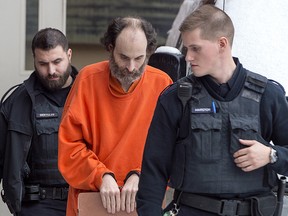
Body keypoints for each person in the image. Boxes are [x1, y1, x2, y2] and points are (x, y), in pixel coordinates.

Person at [136, 5, 288, 216]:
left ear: (222, 44)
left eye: (195, 48)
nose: (188, 57)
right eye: (186, 48)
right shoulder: (176, 98)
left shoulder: (268, 96)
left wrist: (272, 155)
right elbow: (153, 171)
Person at [57, 16, 173, 216]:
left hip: (143, 201)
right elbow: (69, 148)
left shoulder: (163, 84)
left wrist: (141, 175)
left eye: (139, 58)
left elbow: (173, 149)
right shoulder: (87, 79)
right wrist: (102, 176)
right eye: (124, 57)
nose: (131, 67)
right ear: (110, 48)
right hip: (92, 199)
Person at [0, 28, 78, 216]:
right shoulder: (17, 101)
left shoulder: (91, 95)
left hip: (84, 201)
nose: (51, 71)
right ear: (34, 59)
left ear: (69, 54)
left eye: (57, 62)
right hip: (37, 206)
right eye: (43, 63)